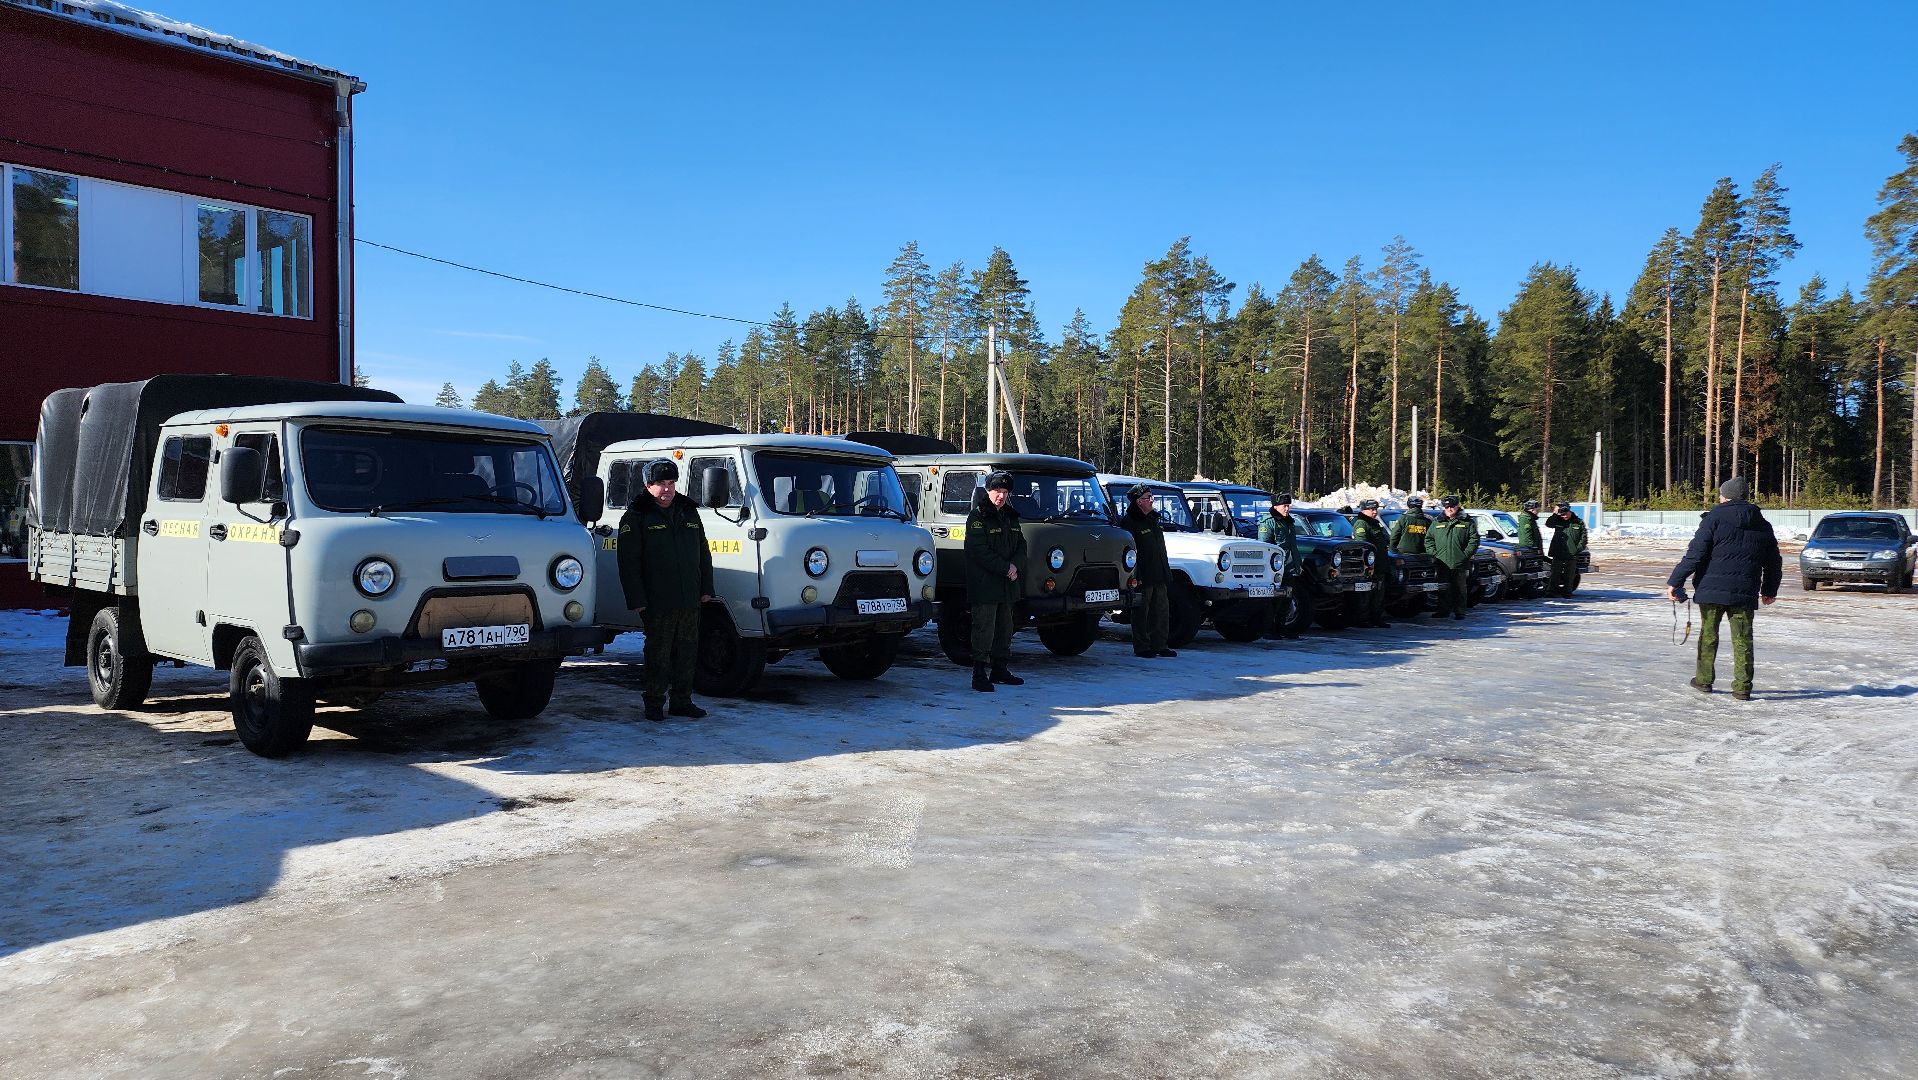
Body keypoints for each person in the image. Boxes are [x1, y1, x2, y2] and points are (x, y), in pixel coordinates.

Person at [1666, 476, 1782, 701]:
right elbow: (1773, 562)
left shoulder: (1713, 519)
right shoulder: (1762, 523)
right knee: (1743, 639)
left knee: (1708, 635)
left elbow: (1695, 554)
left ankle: (1703, 680)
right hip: (1745, 591)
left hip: (1712, 589)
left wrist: (1675, 581)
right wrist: (1770, 590)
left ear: (1725, 496)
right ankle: (1742, 687)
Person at [617, 457, 715, 722]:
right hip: (657, 599)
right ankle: (653, 702)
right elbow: (628, 563)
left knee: (687, 650)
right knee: (658, 652)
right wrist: (636, 598)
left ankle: (682, 701)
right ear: (648, 485)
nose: (667, 489)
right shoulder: (636, 516)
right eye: (661, 483)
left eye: (671, 483)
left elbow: (702, 552)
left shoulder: (688, 511)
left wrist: (707, 587)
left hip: (689, 596)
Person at [963, 471, 1027, 692]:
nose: (1001, 496)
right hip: (985, 585)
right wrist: (1005, 567)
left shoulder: (1010, 517)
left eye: (1005, 492)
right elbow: (979, 551)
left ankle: (999, 669)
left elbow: (1021, 545)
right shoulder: (978, 517)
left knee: (1005, 628)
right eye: (997, 491)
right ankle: (979, 673)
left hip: (1007, 584)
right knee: (984, 629)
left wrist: (1015, 566)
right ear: (988, 491)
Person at [1119, 484, 1175, 658]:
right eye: (1148, 498)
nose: (1151, 501)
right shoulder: (1130, 522)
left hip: (1159, 573)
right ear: (1138, 502)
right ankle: (1142, 646)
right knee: (1142, 613)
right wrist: (1136, 576)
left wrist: (1166, 573)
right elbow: (1129, 553)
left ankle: (1160, 644)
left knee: (1161, 611)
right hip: (1142, 575)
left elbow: (1159, 550)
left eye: (1152, 498)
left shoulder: (1153, 520)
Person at [1427, 495, 1479, 621]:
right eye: (1447, 507)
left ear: (1457, 506)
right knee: (1443, 588)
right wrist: (1434, 553)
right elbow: (1428, 539)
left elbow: (1474, 540)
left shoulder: (1467, 522)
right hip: (1442, 562)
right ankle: (1443, 610)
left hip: (1459, 562)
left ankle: (1460, 611)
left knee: (1460, 588)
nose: (1450, 509)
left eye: (1452, 506)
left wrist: (1465, 554)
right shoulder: (1437, 521)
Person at [1259, 493, 1302, 639]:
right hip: (1276, 571)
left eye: (1288, 505)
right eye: (1285, 505)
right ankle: (1269, 629)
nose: (1287, 508)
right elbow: (1265, 548)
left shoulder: (1289, 522)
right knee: (1273, 601)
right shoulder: (1268, 522)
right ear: (1275, 506)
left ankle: (1281, 628)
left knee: (1286, 600)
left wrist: (1297, 565)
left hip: (1289, 568)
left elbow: (1292, 546)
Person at [1348, 498, 1391, 628]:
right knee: (1366, 594)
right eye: (1371, 509)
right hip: (1369, 566)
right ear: (1364, 510)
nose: (1374, 512)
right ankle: (1363, 619)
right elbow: (1363, 545)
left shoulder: (1374, 523)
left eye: (1375, 509)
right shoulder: (1361, 524)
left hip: (1380, 564)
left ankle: (1376, 617)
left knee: (1378, 593)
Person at [1545, 502, 1589, 596]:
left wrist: (1577, 549)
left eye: (1565, 514)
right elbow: (1548, 524)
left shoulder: (1578, 522)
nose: (1564, 516)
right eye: (1562, 515)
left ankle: (1567, 592)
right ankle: (1551, 592)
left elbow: (1584, 538)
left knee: (1569, 574)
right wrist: (1555, 513)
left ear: (1569, 512)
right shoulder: (1558, 520)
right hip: (1558, 551)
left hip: (1572, 553)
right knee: (1555, 574)